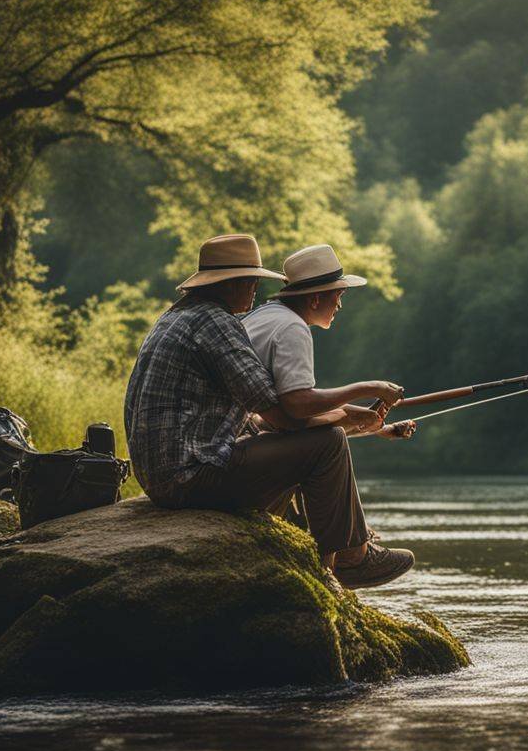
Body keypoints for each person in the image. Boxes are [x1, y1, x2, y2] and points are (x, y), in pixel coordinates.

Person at [123, 234, 414, 588]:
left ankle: (333, 551)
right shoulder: (218, 325)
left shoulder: (177, 318)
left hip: (162, 475)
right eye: (252, 281)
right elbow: (284, 416)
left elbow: (262, 418)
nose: (255, 290)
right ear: (234, 283)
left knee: (303, 441)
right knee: (327, 444)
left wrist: (363, 421)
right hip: (190, 478)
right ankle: (346, 562)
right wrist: (362, 396)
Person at [242, 244, 418, 441]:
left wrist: (377, 426)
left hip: (239, 432)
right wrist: (371, 388)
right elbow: (298, 404)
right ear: (315, 299)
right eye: (338, 295)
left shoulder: (266, 314)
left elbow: (287, 408)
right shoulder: (292, 327)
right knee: (332, 440)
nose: (340, 305)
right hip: (234, 443)